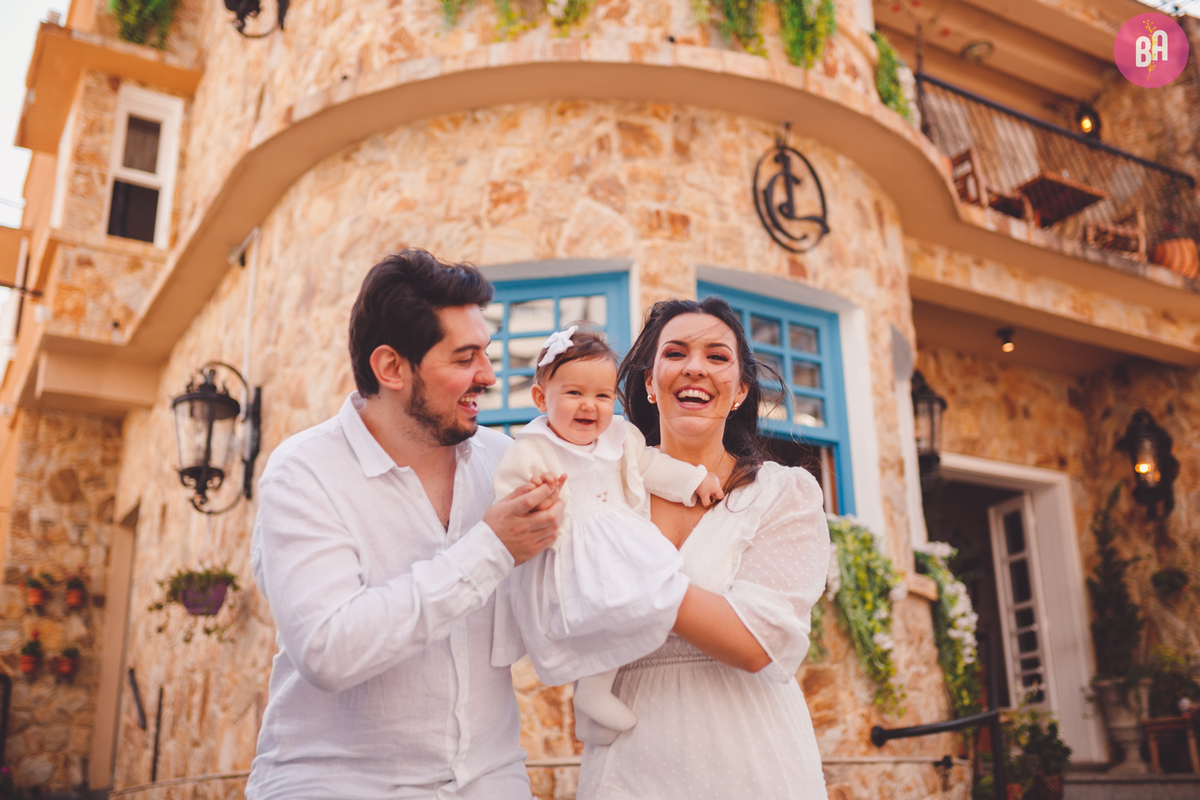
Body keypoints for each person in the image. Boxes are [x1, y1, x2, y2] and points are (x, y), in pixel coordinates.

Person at [246, 249, 564, 800]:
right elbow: (328, 648)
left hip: (491, 779)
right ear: (391, 368)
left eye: (485, 353)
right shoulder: (303, 473)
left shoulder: (503, 462)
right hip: (333, 784)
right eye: (464, 358)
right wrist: (491, 549)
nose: (488, 376)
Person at [576, 296, 831, 800]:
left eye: (717, 356)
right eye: (675, 353)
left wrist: (629, 575)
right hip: (629, 757)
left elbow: (757, 642)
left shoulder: (782, 494)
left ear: (740, 391)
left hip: (751, 757)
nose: (695, 367)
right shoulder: (603, 483)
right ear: (650, 383)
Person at [489, 326, 724, 743]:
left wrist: (694, 480)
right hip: (566, 549)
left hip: (618, 543)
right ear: (542, 399)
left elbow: (651, 468)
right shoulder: (532, 448)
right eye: (574, 393)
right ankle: (591, 693)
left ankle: (592, 701)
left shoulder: (619, 437)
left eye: (602, 395)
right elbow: (508, 496)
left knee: (622, 615)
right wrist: (534, 499)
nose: (590, 405)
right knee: (592, 624)